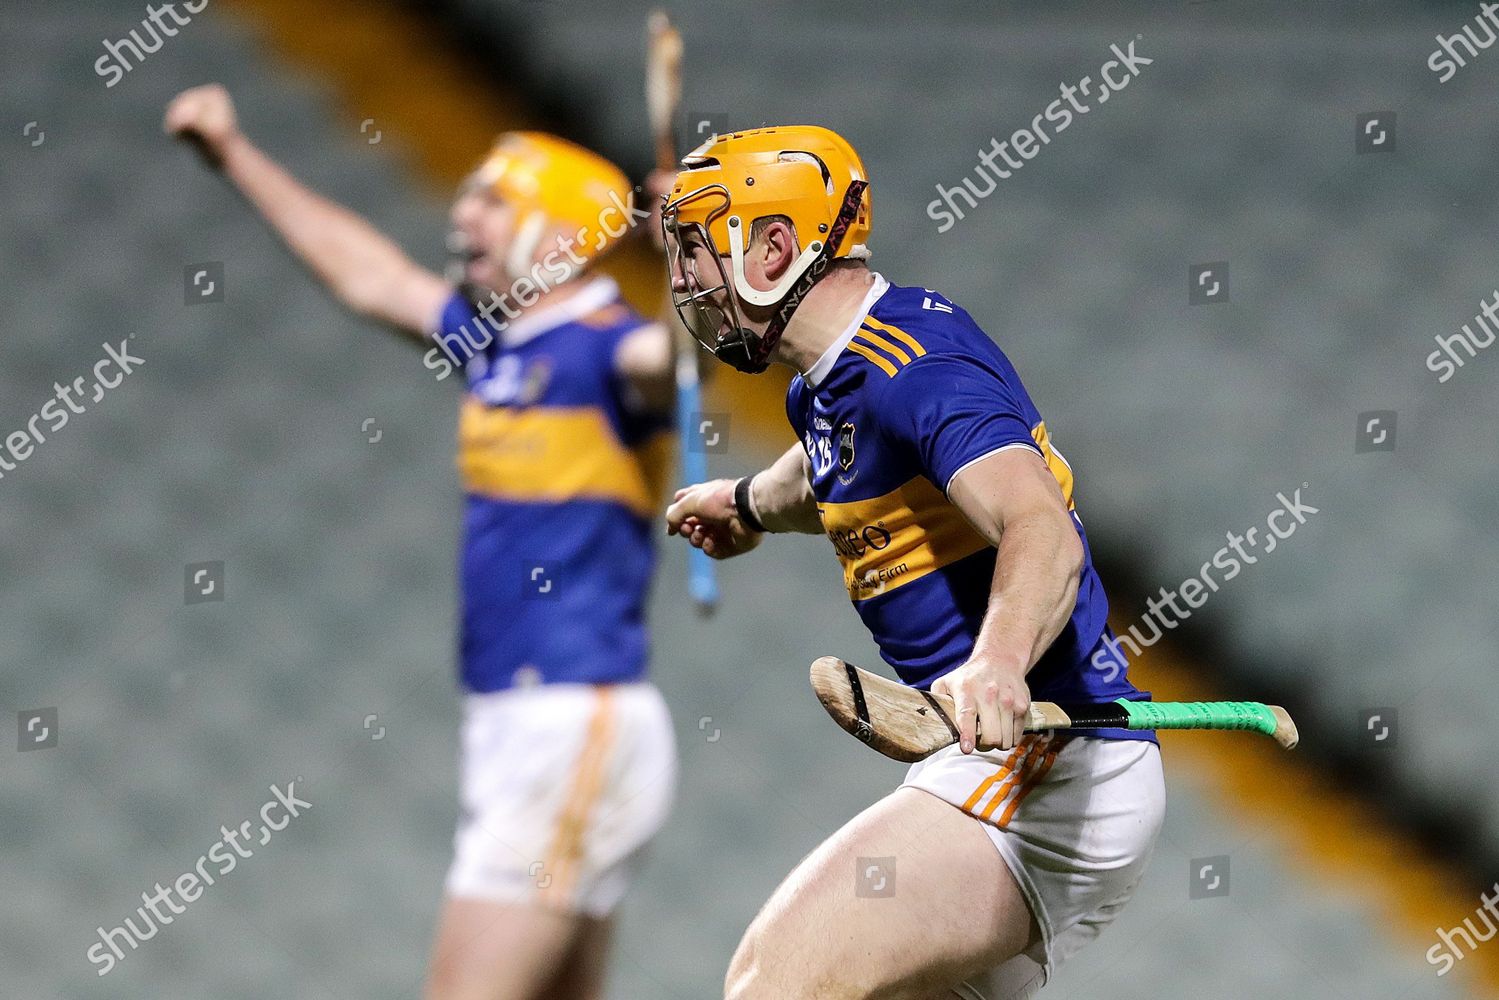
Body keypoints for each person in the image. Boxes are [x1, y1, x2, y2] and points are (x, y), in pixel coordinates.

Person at [165, 84, 678, 1000]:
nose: (466, 212)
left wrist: (688, 258)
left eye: (496, 199)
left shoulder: (609, 348)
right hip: (529, 724)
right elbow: (370, 276)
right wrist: (233, 153)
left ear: (562, 237)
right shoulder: (496, 342)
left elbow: (670, 363)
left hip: (565, 720)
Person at [662, 125, 1165, 1000]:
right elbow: (831, 473)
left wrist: (1000, 662)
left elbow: (1040, 526)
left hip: (1050, 761)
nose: (682, 282)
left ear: (773, 247)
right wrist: (744, 506)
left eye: (696, 251)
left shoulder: (917, 368)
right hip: (996, 764)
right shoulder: (830, 379)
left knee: (769, 987)